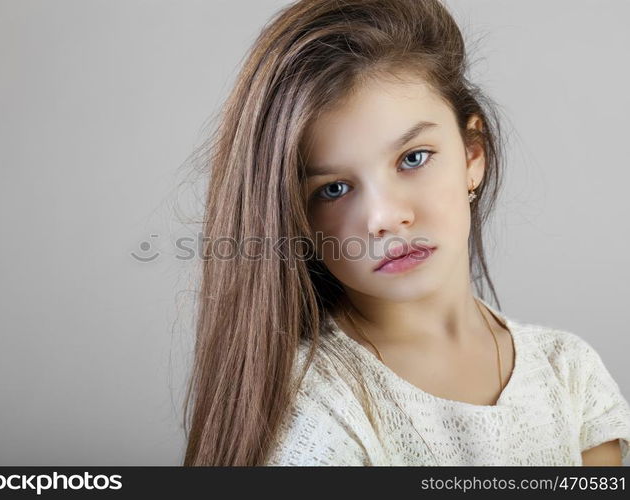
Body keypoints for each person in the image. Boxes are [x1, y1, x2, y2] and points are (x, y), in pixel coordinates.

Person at [181, 0, 630, 466]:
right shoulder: (314, 408)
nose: (386, 218)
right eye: (334, 188)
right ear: (296, 219)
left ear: (472, 155)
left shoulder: (570, 373)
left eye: (413, 158)